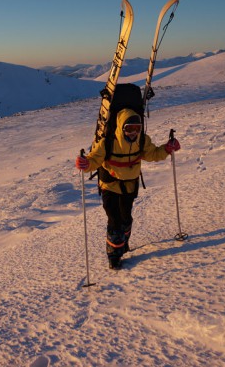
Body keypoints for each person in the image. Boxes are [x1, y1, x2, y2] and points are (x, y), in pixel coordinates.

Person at [75, 109, 181, 269]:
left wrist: (167, 149)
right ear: (121, 126)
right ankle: (114, 256)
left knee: (126, 218)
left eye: (137, 128)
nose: (133, 132)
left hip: (129, 185)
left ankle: (122, 243)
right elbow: (95, 159)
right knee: (114, 220)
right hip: (109, 185)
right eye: (129, 128)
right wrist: (86, 164)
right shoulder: (107, 141)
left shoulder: (142, 140)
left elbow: (152, 154)